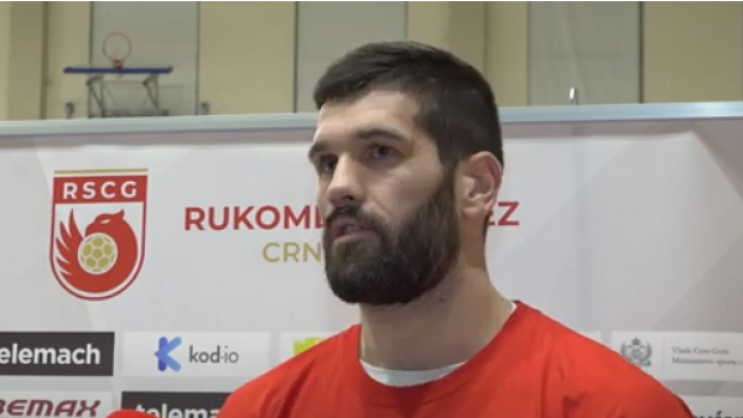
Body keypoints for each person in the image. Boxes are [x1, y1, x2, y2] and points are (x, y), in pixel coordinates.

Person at [217, 41, 694, 418]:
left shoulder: (615, 407)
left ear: (477, 187)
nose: (339, 186)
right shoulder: (261, 408)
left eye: (380, 152)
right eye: (326, 162)